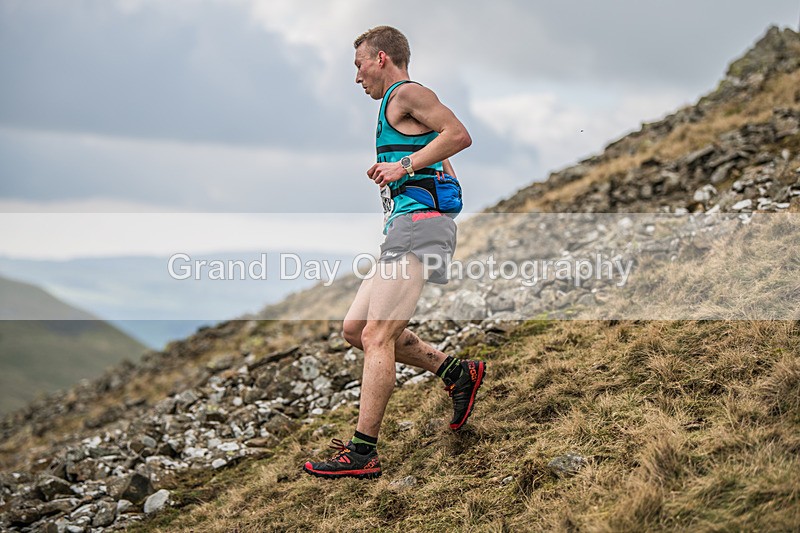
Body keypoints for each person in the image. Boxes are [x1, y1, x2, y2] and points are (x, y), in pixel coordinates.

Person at [303, 26, 486, 480]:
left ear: (381, 58)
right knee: (355, 329)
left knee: (377, 336)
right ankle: (455, 372)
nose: (357, 76)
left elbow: (459, 134)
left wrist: (403, 166)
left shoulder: (407, 93)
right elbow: (445, 163)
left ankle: (363, 452)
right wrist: (415, 172)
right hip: (407, 228)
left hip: (417, 229)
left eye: (359, 64)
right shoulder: (396, 106)